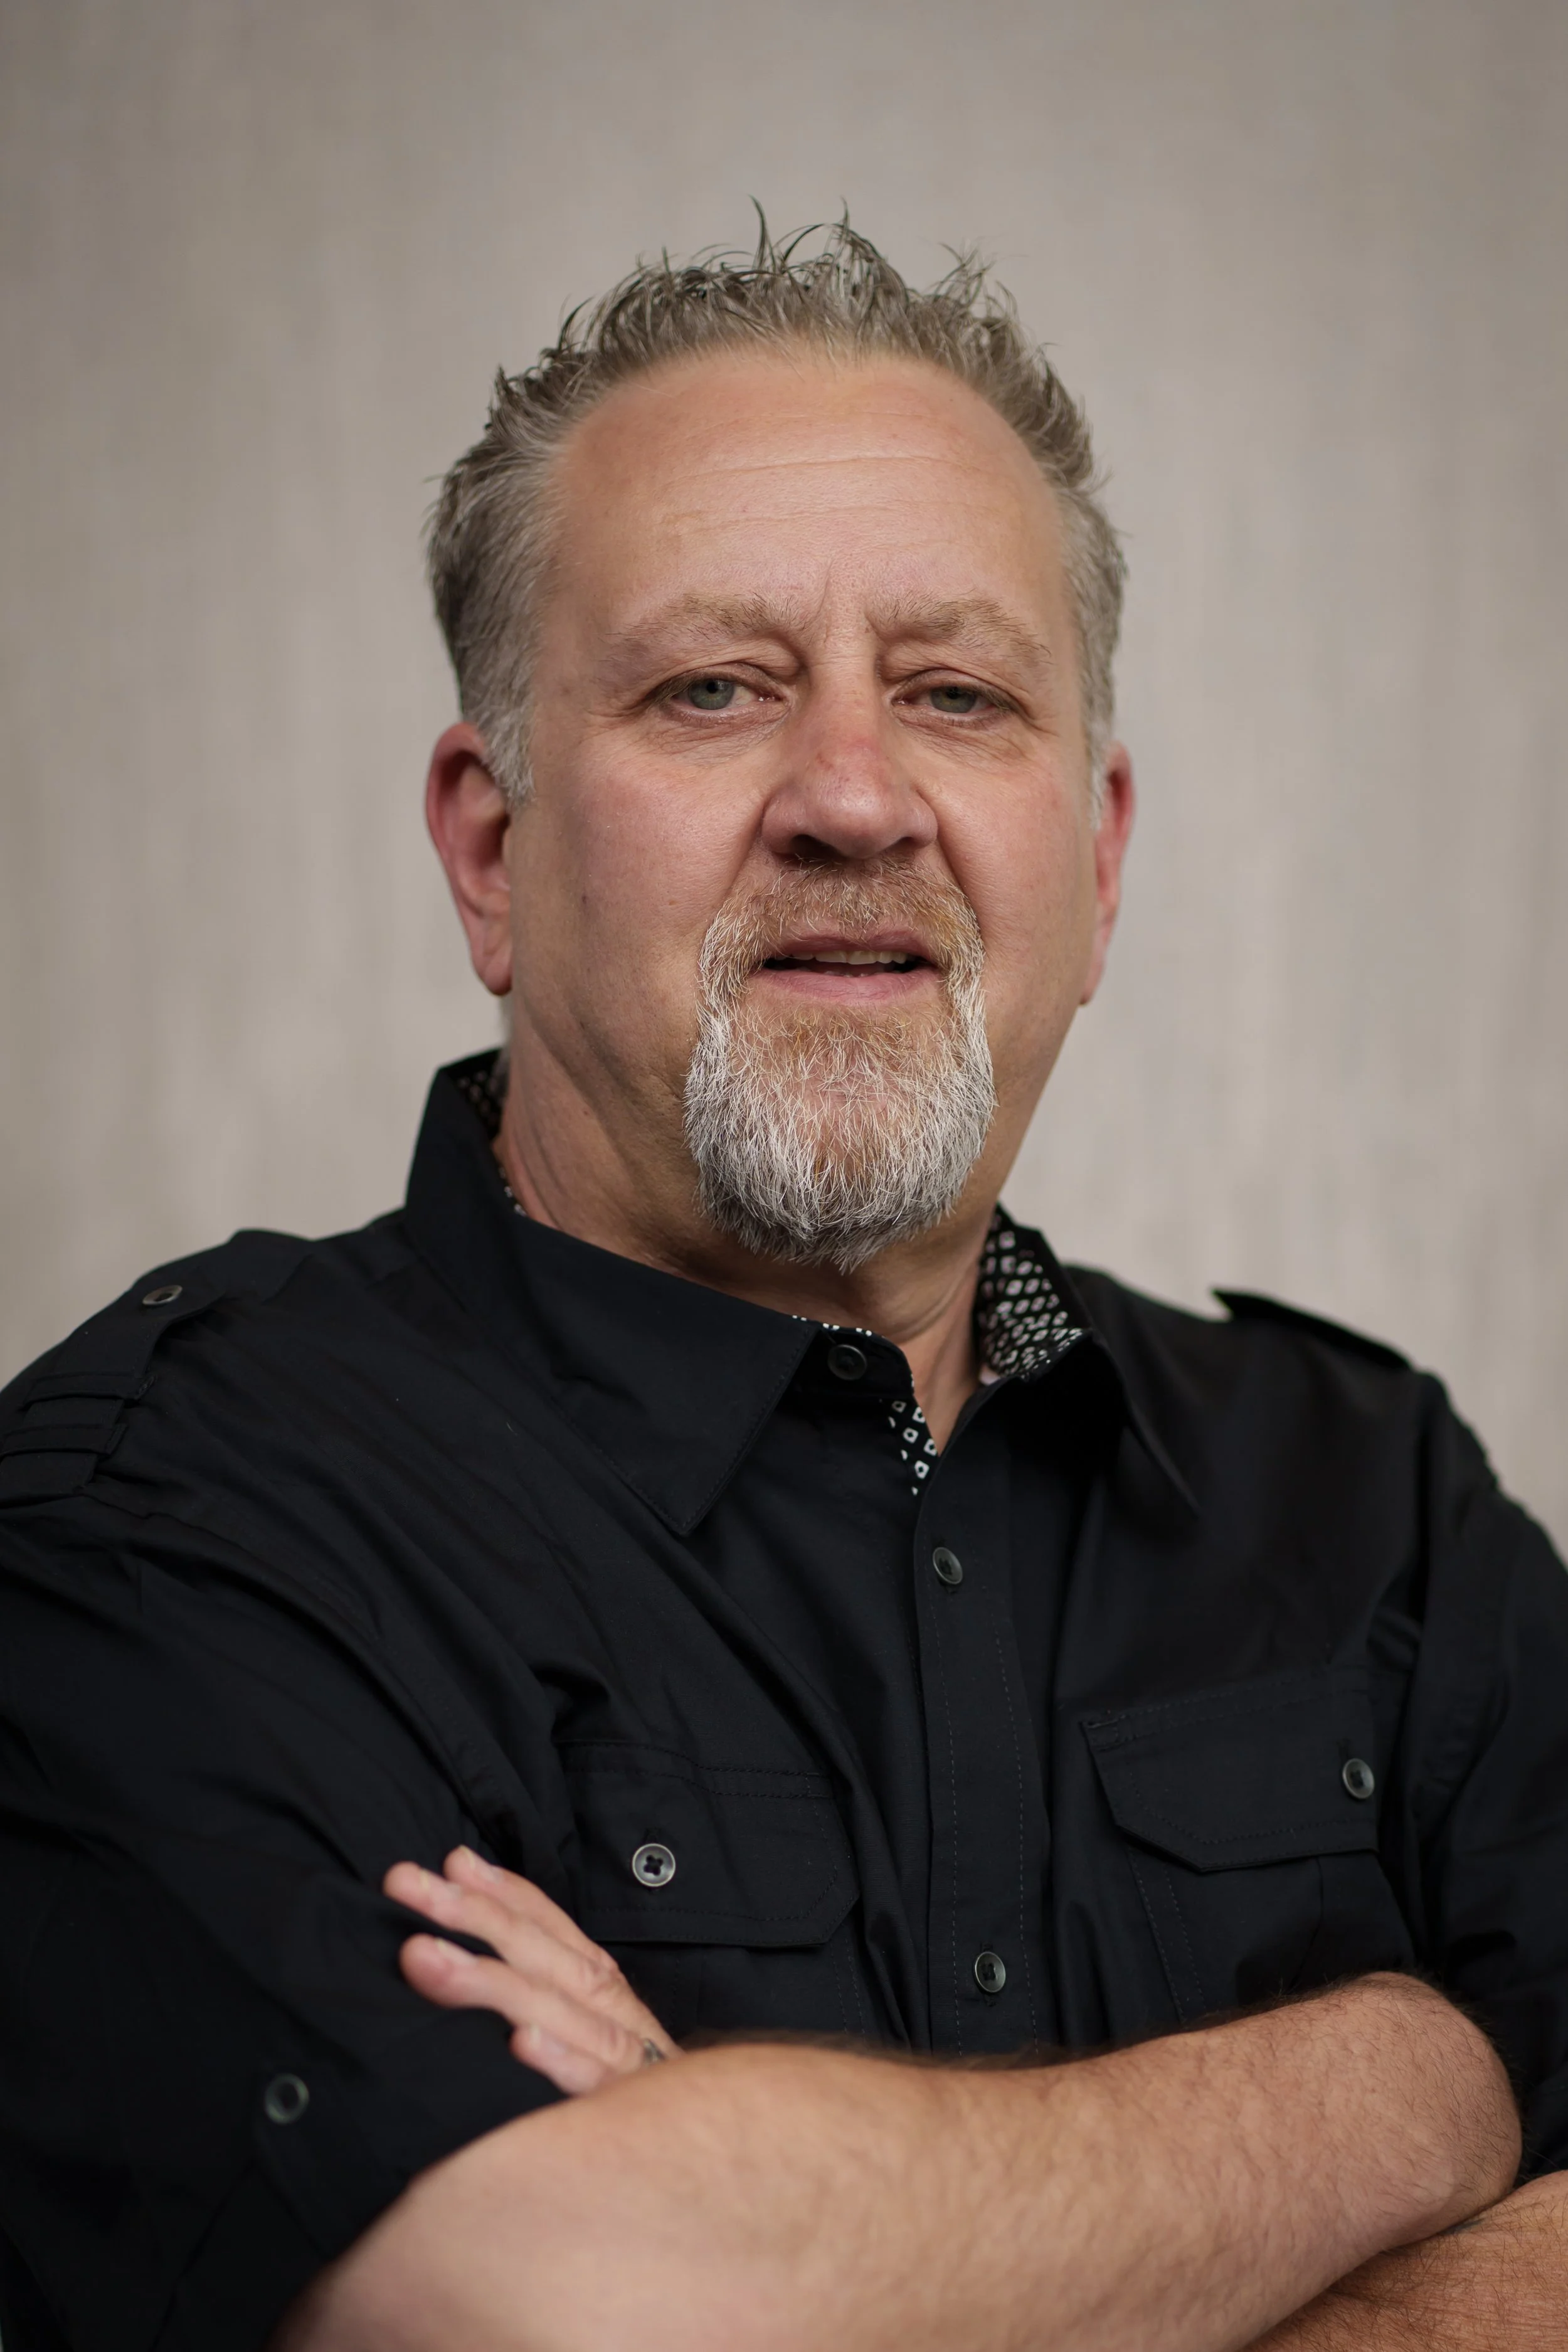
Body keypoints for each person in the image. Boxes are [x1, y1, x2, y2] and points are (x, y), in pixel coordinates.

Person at [1, 222, 1564, 2352]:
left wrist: (783, 2222)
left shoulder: (1377, 1505)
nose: (851, 796)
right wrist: (1420, 2077)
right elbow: (549, 2308)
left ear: (1093, 864)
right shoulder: (161, 1527)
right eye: (711, 687)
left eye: (954, 691)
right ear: (489, 848)